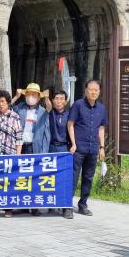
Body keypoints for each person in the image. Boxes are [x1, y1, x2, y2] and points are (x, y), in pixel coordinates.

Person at [67, 80, 108, 217]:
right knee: (72, 178)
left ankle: (83, 205)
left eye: (96, 90)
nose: (93, 92)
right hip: (78, 149)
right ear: (86, 90)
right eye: (91, 89)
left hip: (93, 149)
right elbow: (70, 124)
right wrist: (73, 143)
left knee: (88, 178)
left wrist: (102, 147)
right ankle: (67, 206)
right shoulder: (78, 105)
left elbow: (101, 128)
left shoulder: (101, 109)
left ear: (99, 92)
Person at [12, 83, 50, 216]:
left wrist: (44, 152)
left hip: (36, 147)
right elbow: (6, 107)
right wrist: (17, 96)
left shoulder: (42, 111)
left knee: (35, 177)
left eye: (34, 95)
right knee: (21, 176)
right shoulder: (20, 108)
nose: (30, 97)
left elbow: (47, 132)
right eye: (28, 94)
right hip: (21, 147)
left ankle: (35, 206)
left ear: (38, 98)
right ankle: (23, 205)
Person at [0, 86, 22, 218]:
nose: (0, 104)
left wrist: (17, 156)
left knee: (9, 182)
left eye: (3, 101)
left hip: (10, 153)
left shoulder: (15, 116)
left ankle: (8, 209)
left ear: (8, 102)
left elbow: (19, 138)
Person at [44, 89, 73, 218]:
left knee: (65, 178)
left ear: (65, 101)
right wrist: (45, 98)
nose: (59, 101)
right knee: (50, 177)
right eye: (56, 98)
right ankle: (52, 202)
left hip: (64, 148)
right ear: (52, 100)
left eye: (62, 98)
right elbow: (48, 106)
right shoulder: (49, 113)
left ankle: (66, 207)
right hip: (50, 147)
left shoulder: (70, 115)